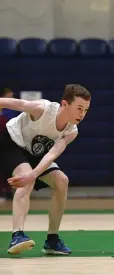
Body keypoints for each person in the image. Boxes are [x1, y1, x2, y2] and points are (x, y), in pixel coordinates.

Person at [0, 84, 91, 256]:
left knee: (62, 181)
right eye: (79, 108)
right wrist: (30, 175)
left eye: (86, 110)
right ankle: (17, 235)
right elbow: (11, 102)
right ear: (64, 104)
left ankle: (52, 240)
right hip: (13, 143)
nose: (82, 114)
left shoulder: (72, 131)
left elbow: (52, 154)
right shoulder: (42, 109)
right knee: (25, 177)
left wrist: (33, 174)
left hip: (37, 153)